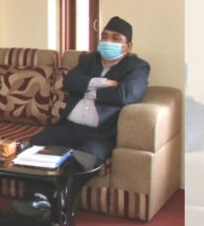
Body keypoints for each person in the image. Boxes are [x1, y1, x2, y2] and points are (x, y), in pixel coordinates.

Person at [12, 16, 150, 220]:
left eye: (115, 38)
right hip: (69, 127)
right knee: (34, 146)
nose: (108, 41)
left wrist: (87, 87)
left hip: (99, 134)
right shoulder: (88, 60)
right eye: (104, 36)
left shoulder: (137, 67)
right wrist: (105, 83)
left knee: (83, 161)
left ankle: (56, 202)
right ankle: (34, 198)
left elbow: (125, 95)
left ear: (128, 46)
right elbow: (69, 82)